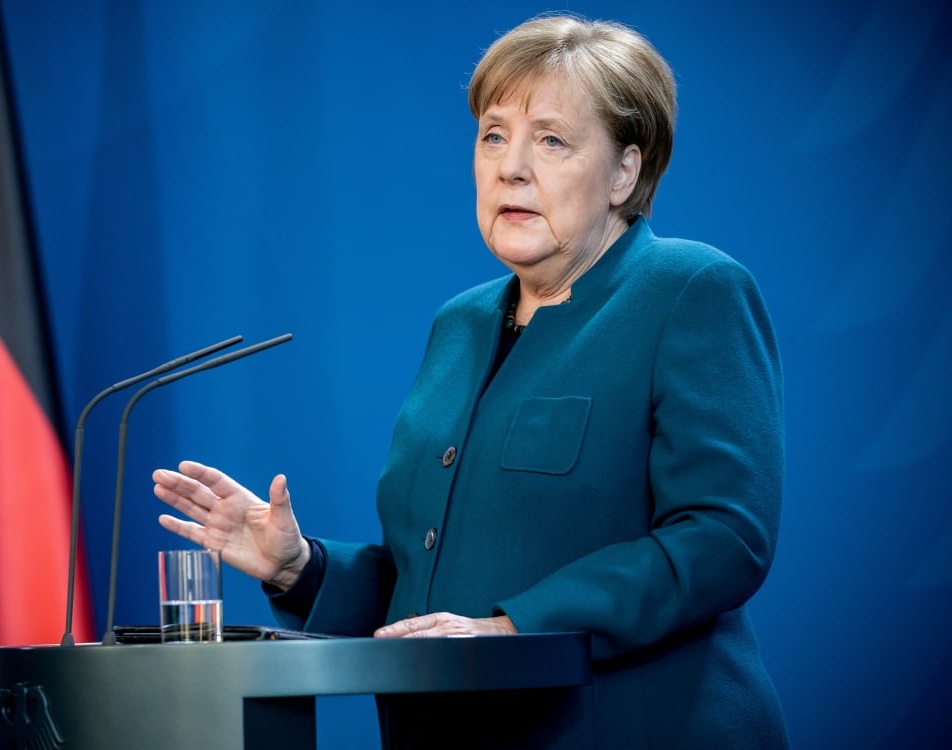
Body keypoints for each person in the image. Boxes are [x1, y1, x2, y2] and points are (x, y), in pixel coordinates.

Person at [153, 12, 789, 750]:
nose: (510, 167)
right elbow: (429, 578)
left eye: (551, 139)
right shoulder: (459, 325)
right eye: (493, 136)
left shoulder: (690, 290)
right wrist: (301, 567)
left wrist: (515, 626)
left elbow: (722, 536)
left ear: (625, 172)